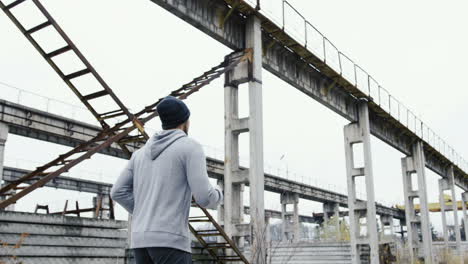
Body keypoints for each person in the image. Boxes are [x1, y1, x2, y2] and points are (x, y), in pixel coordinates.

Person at [111, 96, 223, 264]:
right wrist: (220, 194)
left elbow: (117, 191)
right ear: (185, 121)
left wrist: (146, 211)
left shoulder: (139, 155)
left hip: (141, 241)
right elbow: (205, 198)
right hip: (170, 241)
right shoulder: (190, 147)